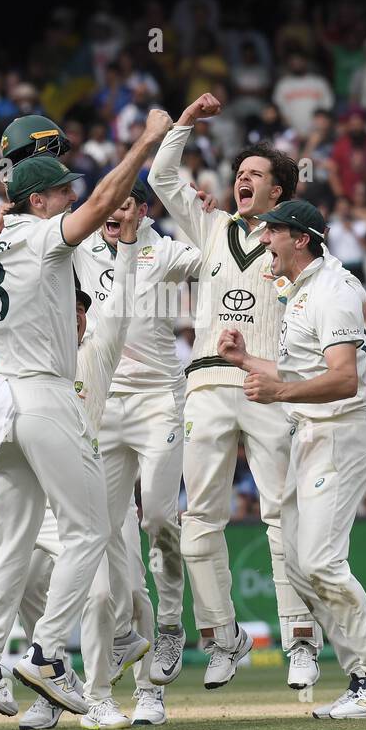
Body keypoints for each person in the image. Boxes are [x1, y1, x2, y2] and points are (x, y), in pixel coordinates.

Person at [0, 109, 168, 718]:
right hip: (45, 395)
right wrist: (146, 142)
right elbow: (102, 201)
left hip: (7, 405)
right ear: (39, 199)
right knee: (91, 530)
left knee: (13, 541)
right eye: (61, 191)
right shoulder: (42, 235)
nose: (71, 197)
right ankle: (45, 652)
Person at [145, 93, 323, 690]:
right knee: (200, 521)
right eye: (239, 174)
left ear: (281, 192)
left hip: (270, 386)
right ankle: (222, 637)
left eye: (254, 175)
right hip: (206, 386)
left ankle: (301, 638)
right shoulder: (211, 227)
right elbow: (161, 176)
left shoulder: (299, 244)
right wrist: (186, 122)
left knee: (281, 515)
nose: (241, 180)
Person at [218, 199, 366, 719]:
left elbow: (344, 377)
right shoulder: (303, 290)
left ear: (300, 238)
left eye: (272, 233)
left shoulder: (333, 290)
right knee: (301, 568)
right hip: (311, 434)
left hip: (338, 434)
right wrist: (245, 362)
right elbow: (300, 369)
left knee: (322, 562)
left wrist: (278, 395)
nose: (264, 241)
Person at [71, 178, 202, 687]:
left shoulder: (163, 250)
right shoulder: (80, 250)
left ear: (142, 211)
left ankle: (170, 624)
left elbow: (215, 256)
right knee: (100, 531)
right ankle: (123, 637)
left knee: (160, 520)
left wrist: (208, 215)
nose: (113, 213)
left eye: (124, 205)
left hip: (157, 404)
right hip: (102, 406)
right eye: (108, 203)